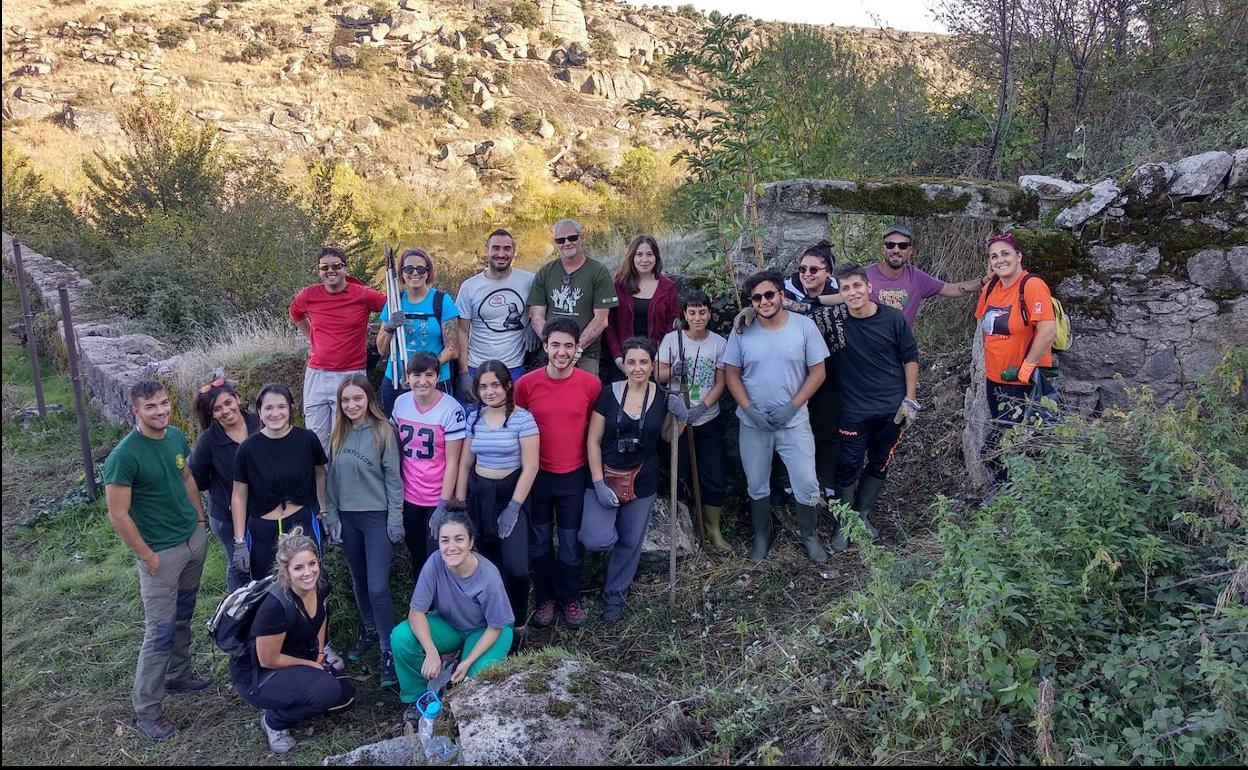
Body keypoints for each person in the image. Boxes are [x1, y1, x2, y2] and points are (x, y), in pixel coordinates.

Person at [104, 380, 212, 742]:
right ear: (135, 410)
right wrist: (146, 554)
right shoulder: (124, 456)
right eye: (151, 406)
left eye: (164, 403)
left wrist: (199, 520)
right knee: (159, 632)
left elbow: (186, 477)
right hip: (160, 555)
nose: (161, 411)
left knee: (183, 614)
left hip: (191, 542)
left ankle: (179, 674)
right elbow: (118, 514)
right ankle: (147, 711)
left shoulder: (176, 437)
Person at [723, 271, 830, 564]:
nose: (764, 301)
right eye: (756, 298)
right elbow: (731, 373)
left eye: (769, 294)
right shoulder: (742, 330)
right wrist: (748, 409)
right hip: (754, 423)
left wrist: (793, 406)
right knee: (756, 481)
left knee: (806, 481)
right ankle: (762, 535)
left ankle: (809, 535)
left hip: (793, 421)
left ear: (782, 294)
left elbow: (818, 371)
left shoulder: (804, 327)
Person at [582, 337, 686, 622]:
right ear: (623, 365)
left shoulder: (664, 397)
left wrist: (682, 416)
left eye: (643, 362)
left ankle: (614, 597)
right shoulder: (608, 393)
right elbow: (593, 441)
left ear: (653, 365)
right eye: (631, 362)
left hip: (643, 479)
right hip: (605, 476)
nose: (637, 368)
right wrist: (598, 482)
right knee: (596, 538)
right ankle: (596, 570)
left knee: (630, 543)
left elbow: (668, 437)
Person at [230, 529, 355, 754]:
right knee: (326, 691)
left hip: (295, 655)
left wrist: (319, 653)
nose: (308, 573)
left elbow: (320, 616)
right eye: (298, 568)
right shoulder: (276, 607)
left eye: (312, 563)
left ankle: (293, 695)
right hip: (259, 674)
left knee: (345, 695)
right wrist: (312, 666)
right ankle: (274, 721)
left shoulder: (320, 583)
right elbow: (268, 659)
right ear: (286, 573)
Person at [514, 317, 602, 629]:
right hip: (537, 477)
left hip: (573, 476)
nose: (562, 351)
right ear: (545, 346)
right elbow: (517, 427)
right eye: (555, 345)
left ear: (577, 348)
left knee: (568, 542)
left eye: (568, 345)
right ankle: (545, 599)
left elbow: (595, 431)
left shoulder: (590, 384)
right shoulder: (526, 384)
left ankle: (569, 598)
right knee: (538, 543)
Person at [390, 511, 514, 722]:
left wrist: (467, 662)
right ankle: (420, 697)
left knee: (475, 679)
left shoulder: (488, 575)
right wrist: (431, 651)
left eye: (459, 539)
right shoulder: (435, 562)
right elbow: (416, 611)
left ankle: (460, 669)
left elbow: (495, 627)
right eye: (445, 540)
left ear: (471, 542)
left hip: (487, 631)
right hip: (451, 624)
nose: (451, 547)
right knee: (401, 636)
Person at [830, 264, 920, 550]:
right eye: (845, 288)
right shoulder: (833, 321)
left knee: (881, 462)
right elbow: (792, 313)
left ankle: (863, 514)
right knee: (847, 466)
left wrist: (910, 399)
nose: (852, 292)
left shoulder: (892, 318)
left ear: (869, 287)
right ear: (840, 293)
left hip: (892, 409)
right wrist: (751, 312)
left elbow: (910, 357)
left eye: (857, 286)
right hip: (854, 410)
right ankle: (845, 522)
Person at [323, 375, 404, 687]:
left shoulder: (383, 431)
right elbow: (332, 480)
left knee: (378, 586)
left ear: (368, 399)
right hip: (348, 517)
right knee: (358, 580)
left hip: (376, 516)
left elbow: (394, 480)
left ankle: (388, 648)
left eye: (357, 399)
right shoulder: (338, 433)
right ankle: (370, 629)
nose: (351, 405)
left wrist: (395, 519)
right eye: (345, 400)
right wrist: (332, 516)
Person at [454, 361, 539, 644]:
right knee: (485, 566)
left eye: (494, 385)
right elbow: (465, 464)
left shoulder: (523, 419)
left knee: (515, 568)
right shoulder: (473, 418)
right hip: (479, 497)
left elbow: (531, 467)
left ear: (507, 385)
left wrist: (513, 508)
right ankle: (490, 624)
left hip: (509, 496)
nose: (489, 391)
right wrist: (461, 505)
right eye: (483, 386)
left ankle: (517, 626)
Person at [975, 232, 1058, 483]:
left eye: (1005, 253)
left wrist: (1027, 367)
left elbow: (1047, 331)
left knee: (1005, 443)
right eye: (994, 256)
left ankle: (1009, 492)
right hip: (995, 378)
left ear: (1018, 256)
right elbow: (983, 326)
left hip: (1022, 381)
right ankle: (1007, 492)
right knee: (1004, 437)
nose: (1000, 260)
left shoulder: (1031, 285)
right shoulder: (990, 287)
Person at [289, 246, 388, 455]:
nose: (330, 271)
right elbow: (296, 313)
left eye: (336, 266)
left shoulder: (362, 294)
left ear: (345, 269)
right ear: (318, 271)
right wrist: (312, 339)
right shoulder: (309, 295)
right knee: (315, 438)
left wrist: (385, 332)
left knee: (346, 439)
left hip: (349, 376)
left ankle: (343, 485)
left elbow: (390, 307)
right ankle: (320, 487)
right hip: (317, 375)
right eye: (325, 267)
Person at [230, 383, 328, 580]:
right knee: (267, 590)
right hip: (263, 531)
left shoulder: (307, 439)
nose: (275, 413)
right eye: (268, 408)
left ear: (290, 409)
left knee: (310, 584)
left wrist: (324, 511)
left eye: (281, 407)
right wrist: (239, 542)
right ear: (259, 411)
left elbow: (320, 473)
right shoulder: (248, 449)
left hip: (301, 523)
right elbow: (239, 495)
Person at [656, 290, 730, 550]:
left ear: (709, 313)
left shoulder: (719, 343)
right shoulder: (671, 340)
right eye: (692, 312)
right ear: (684, 315)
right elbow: (658, 375)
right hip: (678, 418)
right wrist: (672, 370)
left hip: (708, 418)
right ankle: (689, 527)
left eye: (702, 312)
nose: (697, 317)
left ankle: (713, 528)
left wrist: (703, 407)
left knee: (714, 473)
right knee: (681, 474)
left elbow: (721, 382)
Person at [390, 351, 467, 576]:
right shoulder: (401, 403)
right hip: (410, 495)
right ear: (407, 376)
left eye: (429, 375)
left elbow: (453, 461)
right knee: (417, 555)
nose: (422, 381)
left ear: (437, 376)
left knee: (440, 558)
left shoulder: (450, 409)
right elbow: (394, 448)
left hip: (437, 495)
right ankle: (422, 605)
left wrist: (444, 503)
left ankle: (444, 606)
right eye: (416, 375)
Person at [781, 240, 845, 498]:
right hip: (793, 370)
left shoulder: (839, 288)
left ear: (827, 271)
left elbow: (855, 296)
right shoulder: (787, 288)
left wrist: (813, 302)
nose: (807, 274)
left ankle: (829, 483)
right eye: (802, 269)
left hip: (828, 369)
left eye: (814, 270)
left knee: (827, 429)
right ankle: (789, 483)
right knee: (792, 428)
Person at [189, 377, 261, 593]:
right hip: (227, 516)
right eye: (217, 409)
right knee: (240, 566)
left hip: (262, 510)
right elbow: (196, 480)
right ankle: (236, 614)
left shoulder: (259, 423)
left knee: (265, 562)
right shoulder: (208, 441)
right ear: (211, 414)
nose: (225, 411)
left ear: (237, 399)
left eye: (228, 403)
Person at [527, 218, 619, 375]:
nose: (567, 243)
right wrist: (554, 347)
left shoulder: (598, 272)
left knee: (588, 394)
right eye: (560, 240)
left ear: (581, 238)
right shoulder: (545, 272)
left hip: (585, 352)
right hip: (552, 353)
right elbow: (536, 317)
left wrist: (574, 348)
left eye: (572, 238)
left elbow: (601, 320)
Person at [377, 247, 461, 415]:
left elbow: (452, 350)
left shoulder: (442, 301)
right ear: (401, 272)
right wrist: (389, 327)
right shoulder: (394, 302)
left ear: (428, 272)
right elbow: (381, 349)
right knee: (396, 431)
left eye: (421, 269)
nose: (415, 273)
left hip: (432, 381)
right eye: (408, 269)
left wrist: (422, 372)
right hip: (397, 380)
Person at [454, 229, 535, 400]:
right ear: (487, 251)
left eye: (507, 249)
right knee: (475, 422)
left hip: (514, 367)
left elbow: (542, 309)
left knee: (512, 420)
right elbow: (462, 332)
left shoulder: (529, 280)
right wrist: (463, 373)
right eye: (495, 248)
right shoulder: (469, 286)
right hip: (477, 366)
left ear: (514, 252)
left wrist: (532, 327)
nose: (501, 253)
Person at [861, 224, 987, 327]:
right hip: (870, 349)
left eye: (902, 246)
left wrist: (983, 281)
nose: (896, 250)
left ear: (910, 251)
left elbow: (950, 289)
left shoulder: (916, 278)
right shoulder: (864, 275)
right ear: (883, 249)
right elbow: (843, 296)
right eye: (890, 245)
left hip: (901, 350)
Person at [605, 235, 679, 380]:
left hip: (656, 363)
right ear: (632, 257)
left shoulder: (668, 287)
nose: (644, 259)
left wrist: (660, 359)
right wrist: (618, 358)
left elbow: (673, 326)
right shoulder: (618, 285)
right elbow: (609, 325)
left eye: (649, 254)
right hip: (624, 362)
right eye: (639, 254)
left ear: (656, 257)